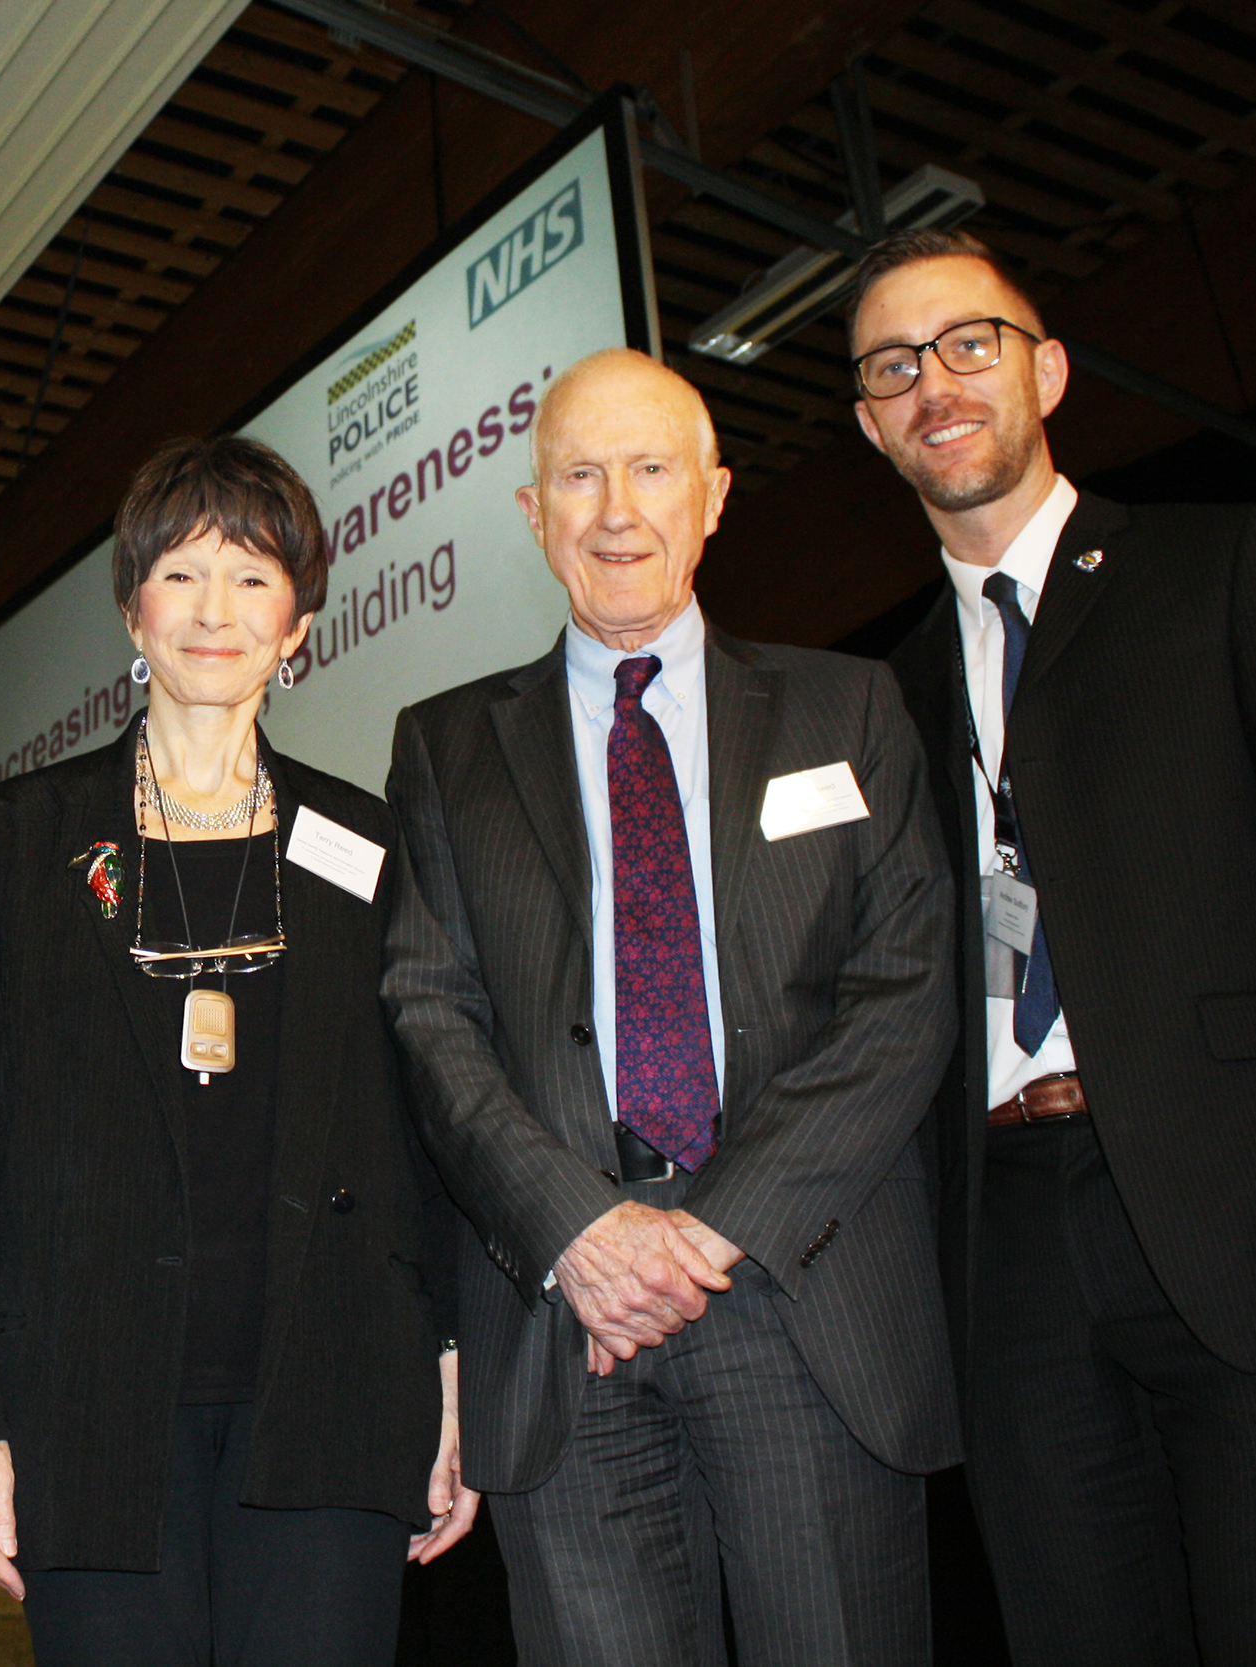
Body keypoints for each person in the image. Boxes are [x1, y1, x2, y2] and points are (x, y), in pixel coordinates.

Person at [381, 348, 960, 1667]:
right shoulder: (445, 744)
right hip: (563, 1319)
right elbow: (431, 1014)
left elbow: (903, 994)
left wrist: (701, 1235)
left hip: (800, 1294)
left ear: (714, 495)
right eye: (579, 476)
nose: (616, 509)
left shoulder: (848, 705)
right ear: (534, 515)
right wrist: (581, 1228)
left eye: (651, 469)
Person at [856, 228, 1256, 1665]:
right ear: (874, 425)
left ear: (1045, 367)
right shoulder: (874, 704)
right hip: (1004, 1250)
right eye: (895, 366)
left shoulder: (1229, 562)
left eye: (968, 343)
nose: (934, 381)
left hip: (1244, 1214)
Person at [0, 434, 475, 1667]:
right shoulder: (20, 842)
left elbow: (432, 1128)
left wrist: (450, 1371)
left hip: (334, 1392)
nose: (213, 610)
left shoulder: (371, 844)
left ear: (301, 622)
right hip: (86, 1399)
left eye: (253, 576)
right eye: (180, 573)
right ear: (132, 606)